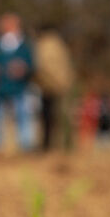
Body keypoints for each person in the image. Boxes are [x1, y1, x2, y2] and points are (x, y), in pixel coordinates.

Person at [0, 13, 34, 153]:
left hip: (19, 88)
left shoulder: (24, 47)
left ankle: (26, 145)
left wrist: (23, 68)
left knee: (23, 117)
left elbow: (32, 64)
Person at [32, 23, 74, 151]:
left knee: (50, 117)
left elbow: (42, 66)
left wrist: (42, 81)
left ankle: (50, 145)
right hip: (61, 85)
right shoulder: (60, 43)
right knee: (61, 116)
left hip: (50, 86)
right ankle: (65, 145)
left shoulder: (45, 45)